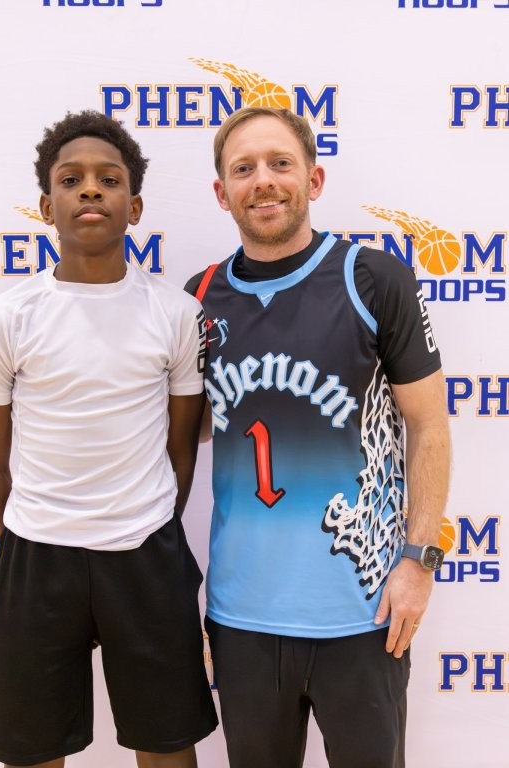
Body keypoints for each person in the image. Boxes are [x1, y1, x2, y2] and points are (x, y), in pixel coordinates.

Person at [185, 106, 450, 768]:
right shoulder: (199, 298)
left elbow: (429, 426)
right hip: (242, 618)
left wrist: (419, 561)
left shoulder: (374, 279)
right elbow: (182, 436)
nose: (263, 180)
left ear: (314, 178)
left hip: (364, 612)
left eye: (280, 163)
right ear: (222, 192)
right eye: (243, 169)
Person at [0, 110, 217, 768]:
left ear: (134, 207)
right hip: (35, 557)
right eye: (71, 180)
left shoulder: (177, 313)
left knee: (166, 743)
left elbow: (181, 449)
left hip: (145, 555)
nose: (91, 190)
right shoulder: (4, 318)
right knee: (31, 749)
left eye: (109, 180)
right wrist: (33, 533)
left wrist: (142, 517)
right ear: (47, 206)